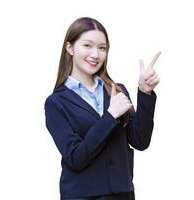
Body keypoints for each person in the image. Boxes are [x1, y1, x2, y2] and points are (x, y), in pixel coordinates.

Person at [44, 17, 161, 200]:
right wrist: (110, 115)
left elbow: (140, 141)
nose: (96, 55)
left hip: (122, 194)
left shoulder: (116, 90)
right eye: (87, 45)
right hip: (82, 196)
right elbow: (76, 157)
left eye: (102, 48)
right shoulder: (56, 103)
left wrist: (144, 93)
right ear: (70, 48)